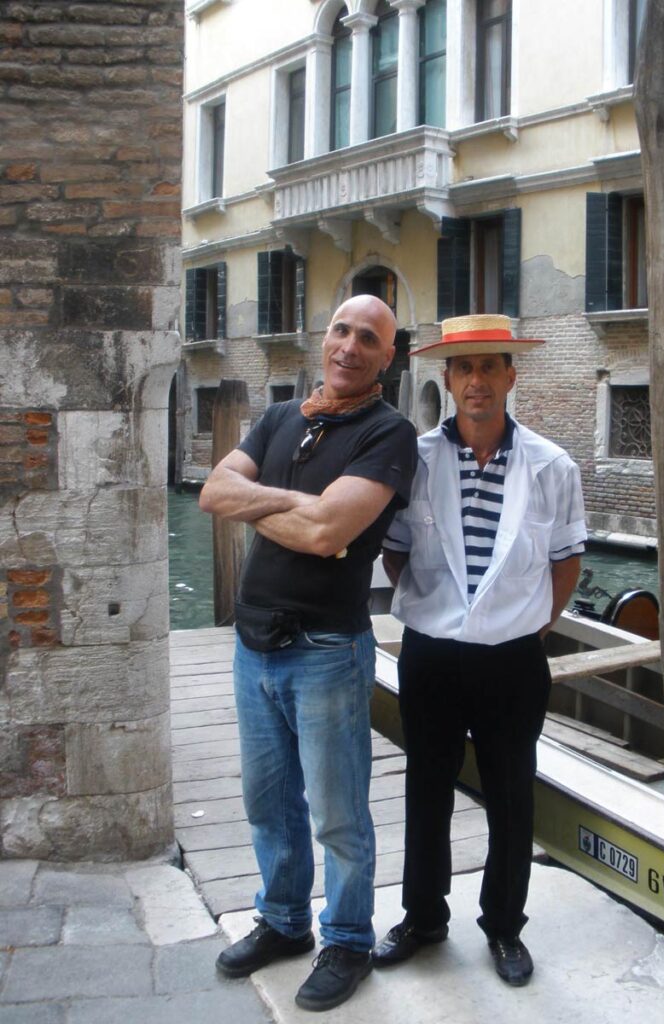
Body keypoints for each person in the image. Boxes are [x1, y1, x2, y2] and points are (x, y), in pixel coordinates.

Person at [199, 294, 418, 1012]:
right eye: (341, 330)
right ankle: (285, 922)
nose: (349, 346)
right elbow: (211, 492)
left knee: (336, 813)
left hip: (327, 647)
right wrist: (299, 508)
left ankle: (349, 939)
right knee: (267, 804)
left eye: (369, 338)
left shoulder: (389, 434)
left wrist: (261, 499)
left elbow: (330, 535)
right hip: (252, 643)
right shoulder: (279, 416)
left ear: (389, 357)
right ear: (324, 337)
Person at [373, 314, 586, 986]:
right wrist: (445, 616)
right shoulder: (417, 459)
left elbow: (565, 564)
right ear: (448, 378)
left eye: (490, 366)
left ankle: (503, 927)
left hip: (514, 659)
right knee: (426, 788)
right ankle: (423, 917)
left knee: (511, 795)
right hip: (431, 654)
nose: (477, 381)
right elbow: (396, 553)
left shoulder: (553, 467)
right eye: (464, 368)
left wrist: (522, 624)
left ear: (511, 376)